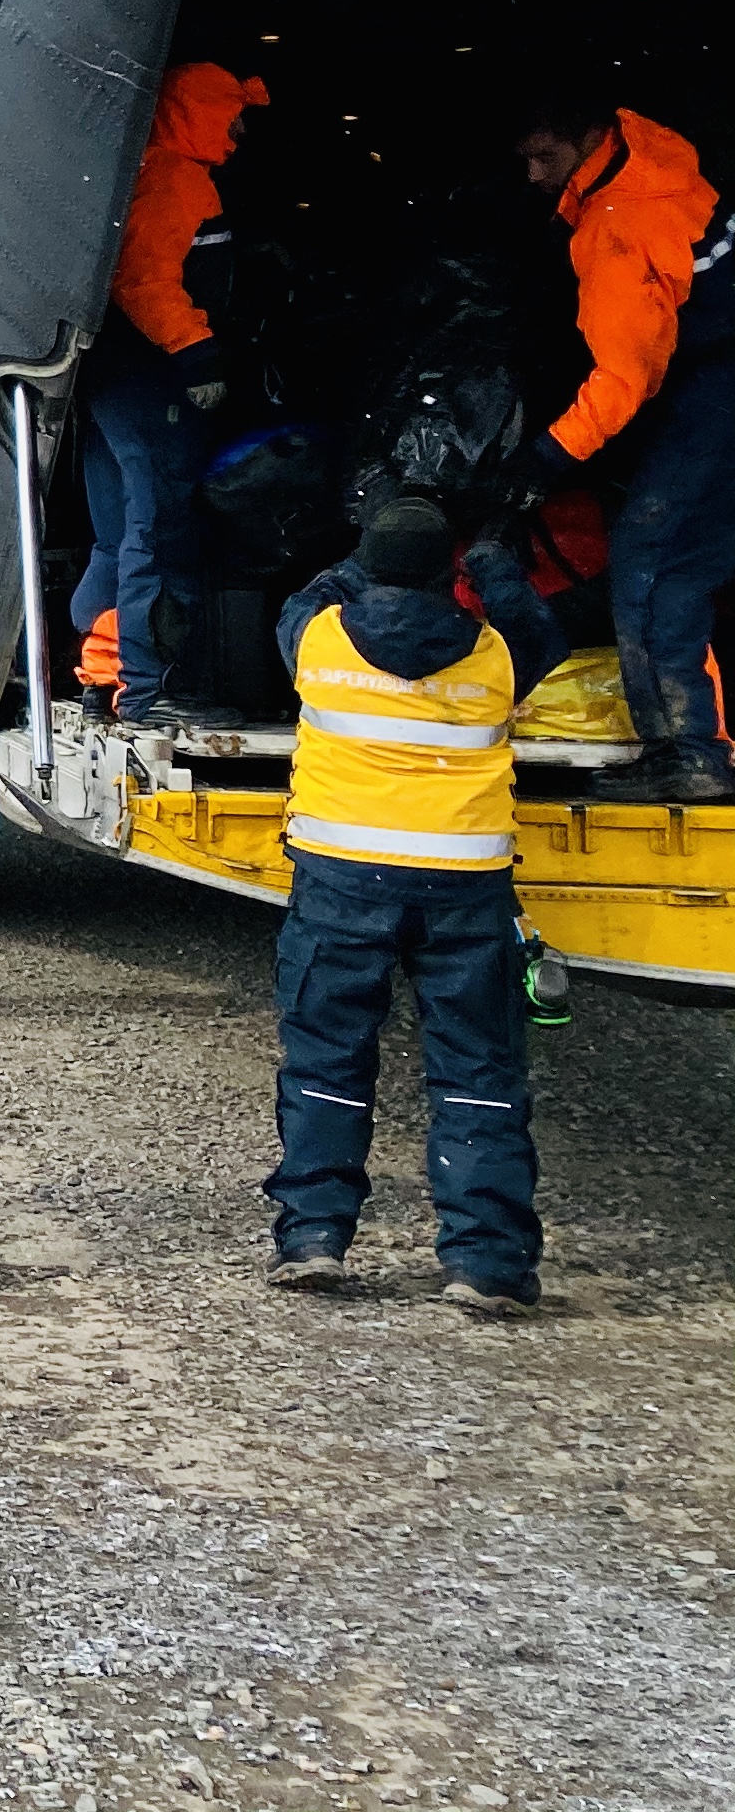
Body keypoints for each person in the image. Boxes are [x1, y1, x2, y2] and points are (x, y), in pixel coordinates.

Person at [265, 493, 565, 1314]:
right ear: (448, 573)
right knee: (477, 1071)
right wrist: (492, 560)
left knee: (327, 1061)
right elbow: (541, 630)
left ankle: (314, 1238)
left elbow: (309, 594)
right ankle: (487, 1263)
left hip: (339, 882)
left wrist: (365, 557)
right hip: (465, 890)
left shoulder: (318, 639)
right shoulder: (500, 654)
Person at [511, 94, 735, 801]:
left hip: (717, 397)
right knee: (692, 561)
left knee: (652, 563)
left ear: (586, 140)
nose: (532, 176)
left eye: (544, 157)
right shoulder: (657, 165)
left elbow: (625, 375)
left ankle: (687, 753)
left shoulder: (615, 227)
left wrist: (548, 457)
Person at [71, 62, 269, 721]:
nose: (241, 128)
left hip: (112, 383)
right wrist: (197, 353)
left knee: (116, 538)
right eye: (231, 112)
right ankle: (158, 692)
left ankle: (109, 680)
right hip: (153, 383)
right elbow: (146, 280)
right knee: (158, 535)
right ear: (198, 111)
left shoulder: (146, 167)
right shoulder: (176, 178)